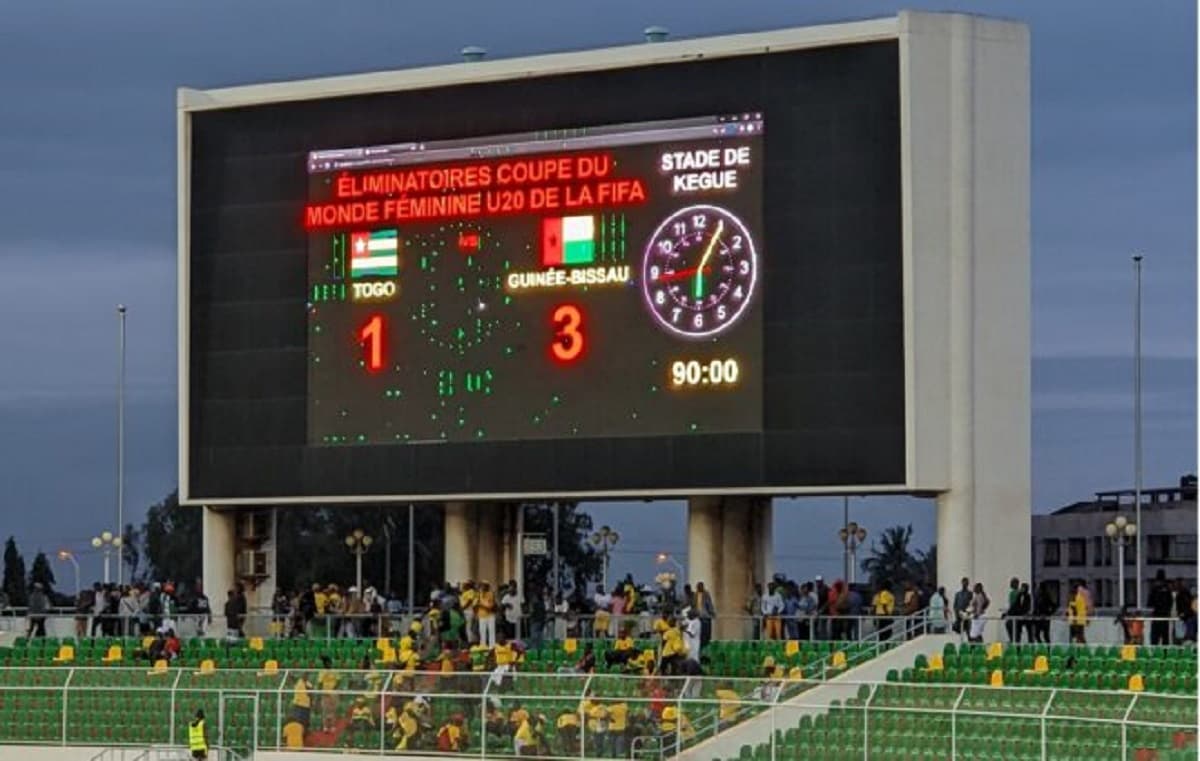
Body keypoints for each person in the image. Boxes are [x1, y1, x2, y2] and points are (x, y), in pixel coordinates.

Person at [1148, 570, 1174, 645]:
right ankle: (1164, 654)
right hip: (1164, 616)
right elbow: (1170, 602)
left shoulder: (1154, 589)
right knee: (1164, 637)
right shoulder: (1167, 589)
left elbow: (1149, 603)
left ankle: (1156, 653)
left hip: (1157, 616)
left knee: (1155, 638)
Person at [693, 582, 715, 647]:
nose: (699, 588)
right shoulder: (695, 595)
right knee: (699, 634)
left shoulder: (706, 594)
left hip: (705, 616)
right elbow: (693, 605)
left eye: (700, 586)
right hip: (697, 616)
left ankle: (706, 645)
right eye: (698, 587)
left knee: (706, 634)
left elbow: (709, 604)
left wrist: (712, 613)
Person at [477, 582, 497, 648]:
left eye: (484, 586)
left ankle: (492, 648)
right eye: (482, 586)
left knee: (491, 632)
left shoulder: (491, 594)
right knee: (482, 633)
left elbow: (490, 607)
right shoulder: (479, 594)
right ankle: (483, 647)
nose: (482, 587)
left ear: (487, 587)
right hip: (481, 616)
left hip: (490, 616)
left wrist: (481, 605)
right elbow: (476, 605)